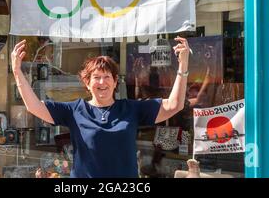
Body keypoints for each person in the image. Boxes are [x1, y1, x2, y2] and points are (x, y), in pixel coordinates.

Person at [11, 36, 190, 178]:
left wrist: (183, 66)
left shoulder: (131, 109)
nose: (102, 82)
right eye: (96, 77)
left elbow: (174, 105)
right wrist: (17, 72)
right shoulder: (74, 111)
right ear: (87, 83)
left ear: (114, 83)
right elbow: (34, 106)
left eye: (107, 77)